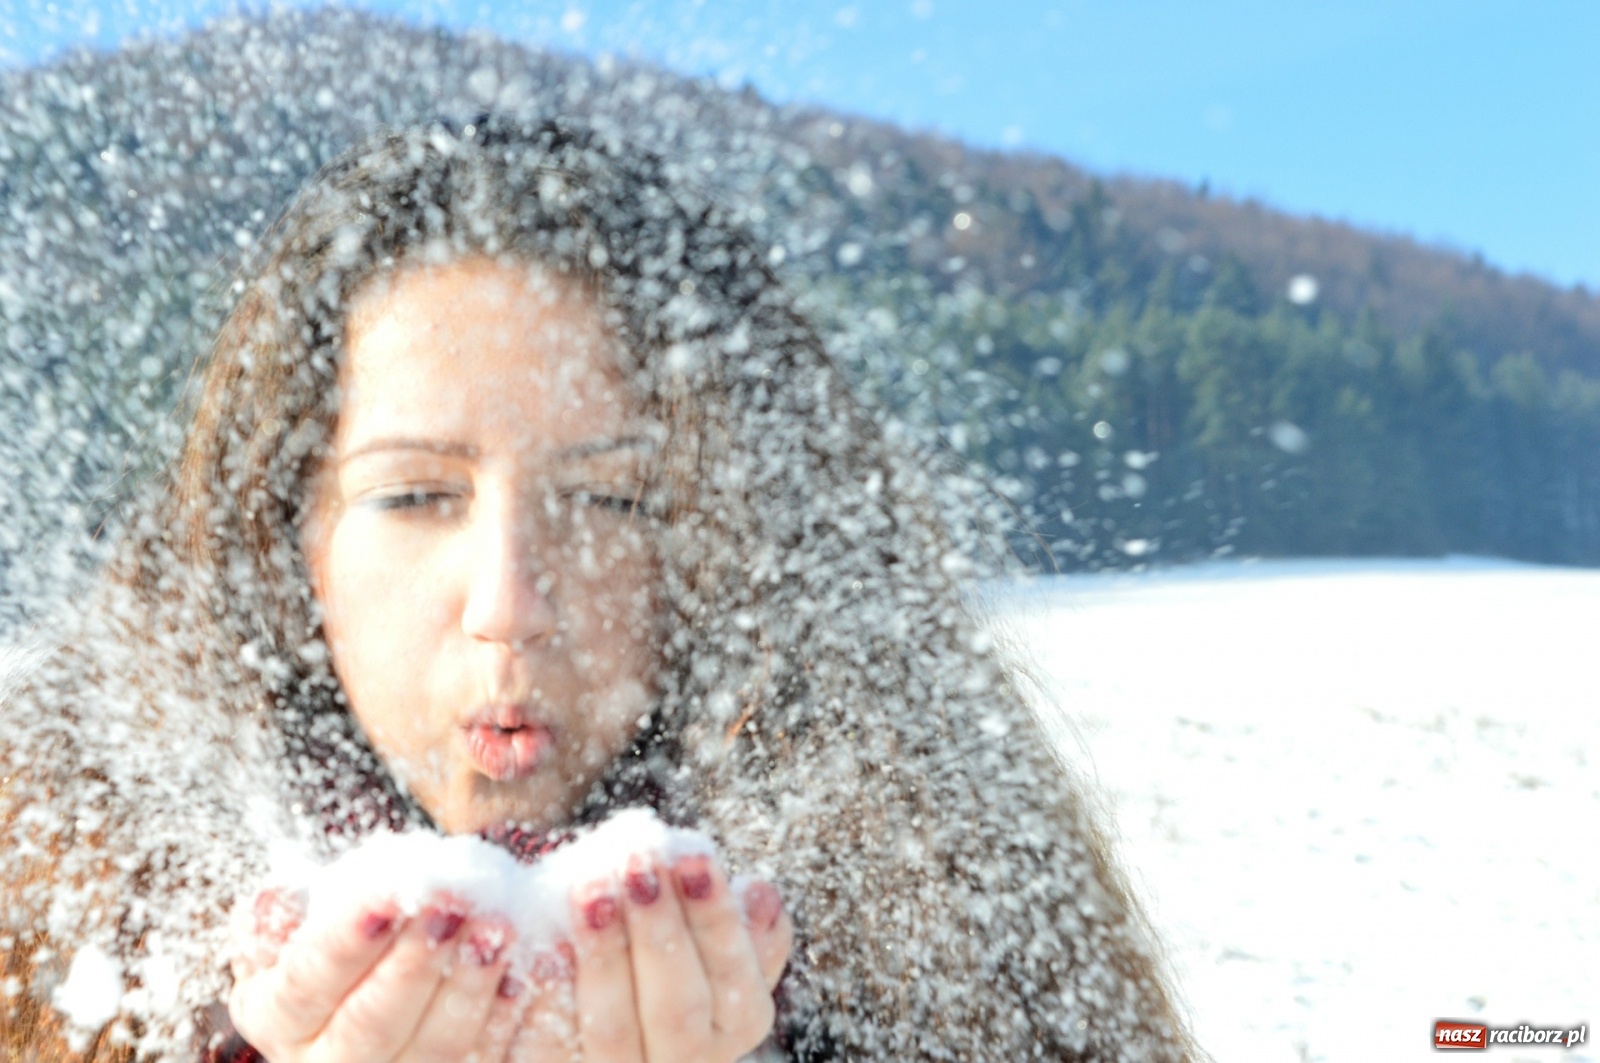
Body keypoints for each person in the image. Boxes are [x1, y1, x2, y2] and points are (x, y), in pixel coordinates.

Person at [0, 116, 1197, 1061]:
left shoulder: (926, 919)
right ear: (285, 540)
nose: (511, 600)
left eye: (614, 502)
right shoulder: (74, 909)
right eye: (416, 496)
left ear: (732, 542)